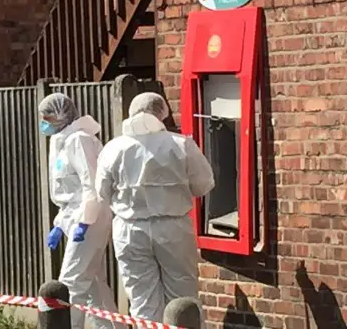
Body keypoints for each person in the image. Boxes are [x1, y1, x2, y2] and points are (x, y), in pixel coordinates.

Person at [95, 92, 215, 322]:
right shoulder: (181, 144)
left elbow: (102, 191)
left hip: (129, 228)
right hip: (173, 226)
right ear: (162, 113)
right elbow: (203, 185)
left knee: (141, 299)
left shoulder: (113, 148)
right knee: (183, 295)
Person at [38, 93, 121, 329]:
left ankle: (66, 326)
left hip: (89, 218)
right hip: (75, 216)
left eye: (48, 117)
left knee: (71, 281)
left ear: (61, 115)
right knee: (94, 284)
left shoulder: (79, 140)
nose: (44, 122)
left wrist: (85, 221)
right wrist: (59, 223)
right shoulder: (61, 142)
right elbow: (68, 191)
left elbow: (91, 184)